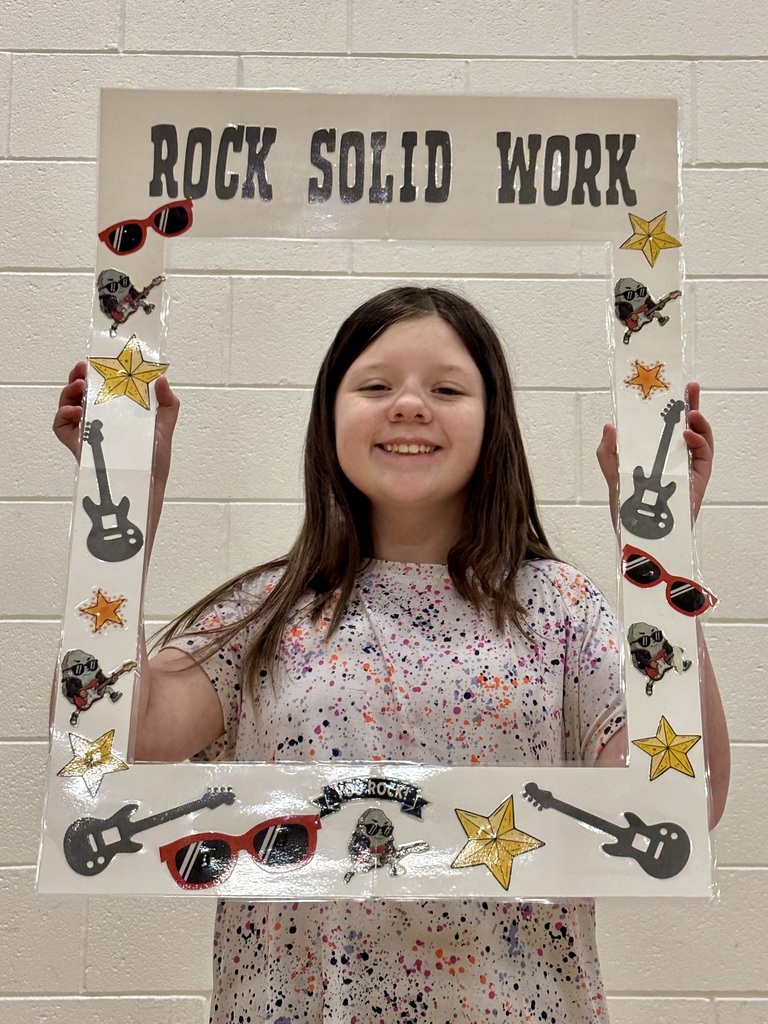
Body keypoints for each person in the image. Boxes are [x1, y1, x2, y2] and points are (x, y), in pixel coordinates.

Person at [54, 286, 728, 1024]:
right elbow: (113, 740)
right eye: (375, 386)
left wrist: (661, 552)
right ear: (329, 417)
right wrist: (123, 494)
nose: (409, 405)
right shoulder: (266, 611)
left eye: (446, 388)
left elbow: (682, 799)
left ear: (492, 420)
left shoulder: (561, 607)